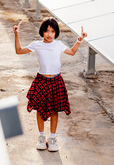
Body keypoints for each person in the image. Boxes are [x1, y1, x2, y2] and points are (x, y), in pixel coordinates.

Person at [13, 17, 87, 152]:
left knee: (54, 110)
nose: (49, 34)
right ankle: (41, 137)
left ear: (56, 33)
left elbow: (72, 52)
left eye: (52, 31)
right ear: (42, 32)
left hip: (56, 81)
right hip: (41, 81)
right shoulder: (36, 44)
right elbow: (19, 50)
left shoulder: (58, 45)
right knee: (40, 110)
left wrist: (79, 40)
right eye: (47, 31)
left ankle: (52, 139)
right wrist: (16, 33)